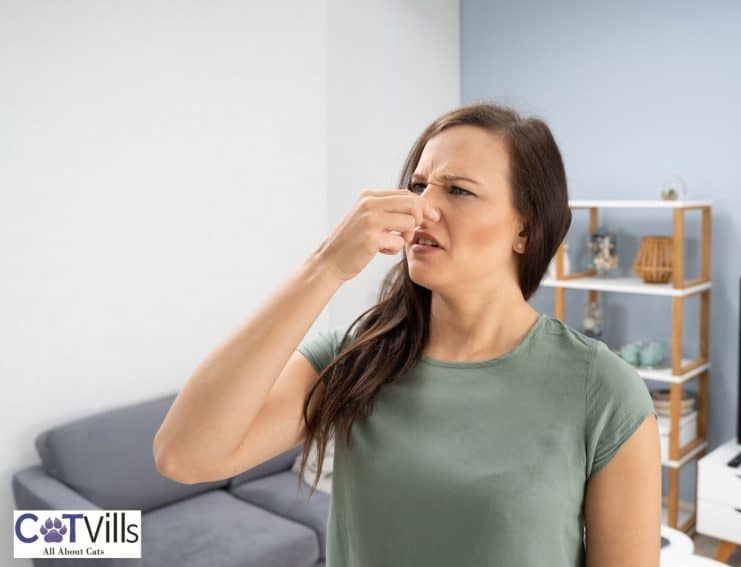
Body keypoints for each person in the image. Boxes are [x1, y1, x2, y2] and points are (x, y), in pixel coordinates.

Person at [153, 101, 661, 566]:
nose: (423, 208)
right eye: (419, 186)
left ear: (525, 230)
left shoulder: (602, 392)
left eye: (458, 190)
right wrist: (326, 266)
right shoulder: (356, 359)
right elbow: (184, 455)